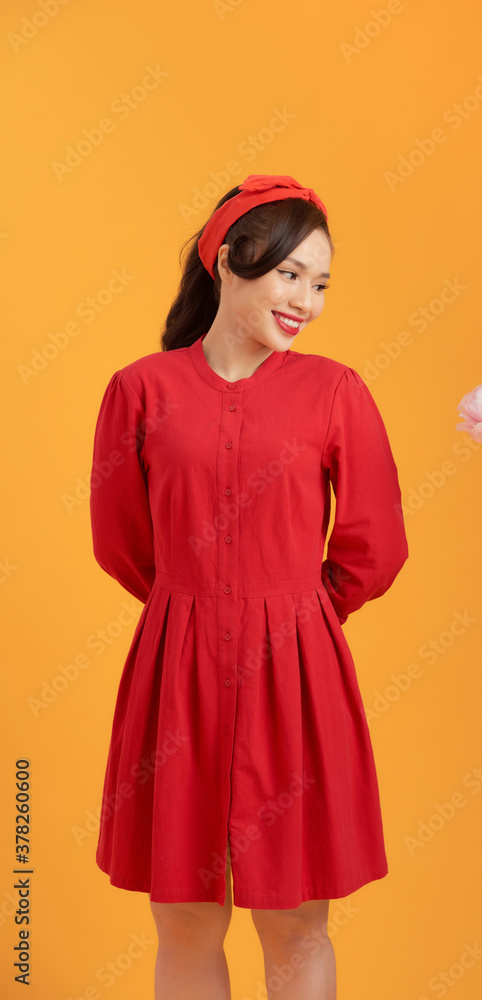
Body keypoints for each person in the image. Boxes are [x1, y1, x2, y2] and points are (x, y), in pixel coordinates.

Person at [89, 173, 409, 999]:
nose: (307, 299)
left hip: (297, 679)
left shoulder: (334, 391)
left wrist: (296, 614)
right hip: (177, 676)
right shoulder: (140, 391)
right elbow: (121, 543)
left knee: (297, 920)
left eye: (321, 282)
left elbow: (376, 544)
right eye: (290, 275)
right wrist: (195, 606)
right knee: (184, 917)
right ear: (229, 261)